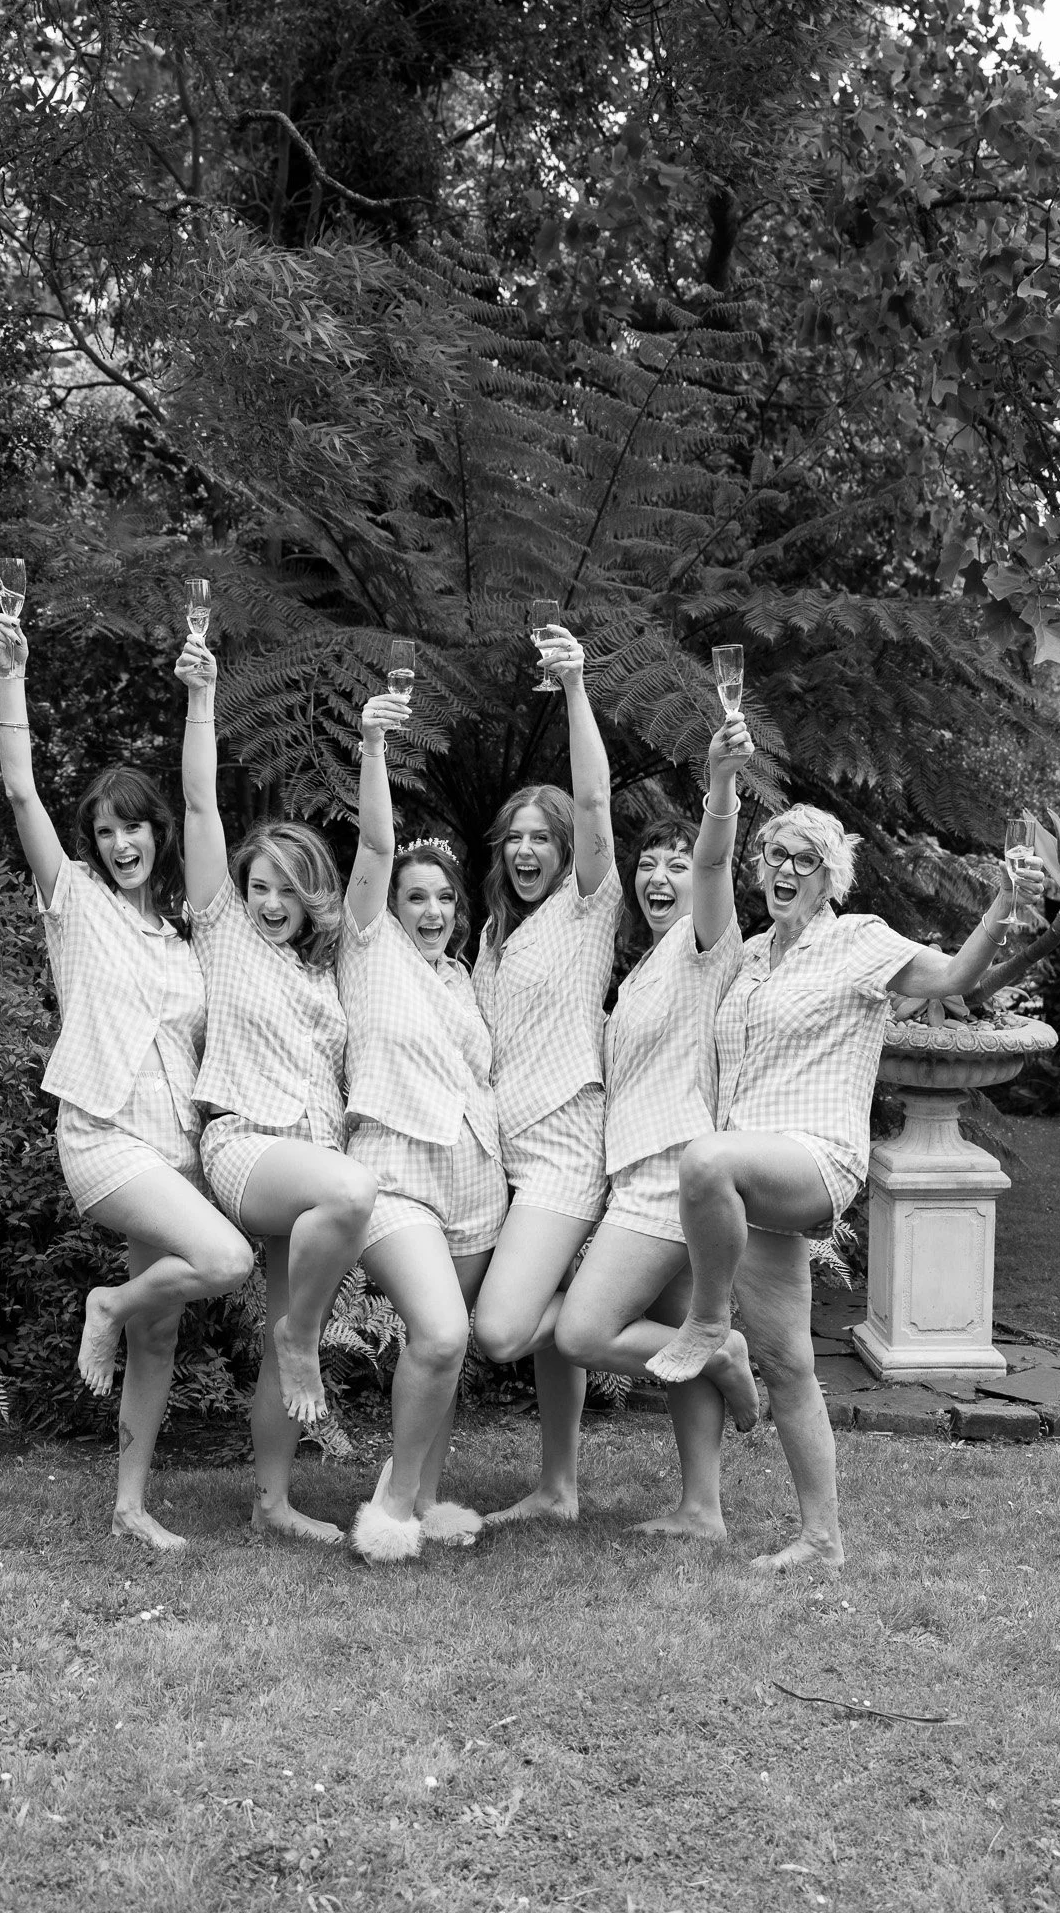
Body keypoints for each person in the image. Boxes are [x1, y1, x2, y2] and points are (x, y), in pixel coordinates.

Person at [646, 803, 1047, 1573]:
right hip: (749, 1175)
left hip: (813, 1157)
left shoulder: (859, 941)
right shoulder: (753, 955)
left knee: (700, 1162)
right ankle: (822, 1539)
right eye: (774, 856)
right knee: (789, 1362)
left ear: (831, 875)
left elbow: (955, 976)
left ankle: (704, 1322)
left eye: (805, 860)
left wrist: (1003, 902)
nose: (785, 871)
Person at [0, 608, 253, 1552]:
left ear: (153, 834)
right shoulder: (76, 908)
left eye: (132, 826)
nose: (119, 841)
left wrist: (201, 694)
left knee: (162, 1334)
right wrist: (15, 675)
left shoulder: (184, 941)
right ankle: (105, 1304)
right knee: (224, 1262)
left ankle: (129, 1506)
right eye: (104, 829)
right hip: (102, 1135)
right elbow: (21, 795)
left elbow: (201, 802)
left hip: (173, 1145)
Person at [175, 635, 375, 1544]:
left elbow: (373, 863)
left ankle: (273, 1503)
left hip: (310, 1157)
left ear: (309, 896)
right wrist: (203, 697)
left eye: (283, 889)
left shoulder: (324, 970)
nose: (265, 900)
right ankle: (302, 1339)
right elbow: (198, 805)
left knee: (281, 1338)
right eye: (256, 885)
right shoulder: (221, 935)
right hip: (246, 1144)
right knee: (350, 1193)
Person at [554, 715, 754, 1537]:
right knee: (672, 1339)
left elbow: (715, 858)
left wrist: (720, 786)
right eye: (648, 863)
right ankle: (701, 1510)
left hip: (670, 1174)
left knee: (582, 1331)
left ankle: (725, 1351)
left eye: (675, 863)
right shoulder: (642, 963)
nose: (661, 875)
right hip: (645, 1172)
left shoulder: (708, 945)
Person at [337, 689, 509, 1560]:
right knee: (438, 1331)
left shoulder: (460, 979)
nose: (433, 910)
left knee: (444, 1348)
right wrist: (374, 745)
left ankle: (430, 1498)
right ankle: (392, 1506)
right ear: (389, 904)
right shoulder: (368, 955)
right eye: (416, 897)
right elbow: (373, 843)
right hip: (397, 1171)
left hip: (476, 1176)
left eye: (444, 897)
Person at [471, 622, 623, 1523]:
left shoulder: (587, 908)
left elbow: (597, 801)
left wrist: (573, 688)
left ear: (568, 850)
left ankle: (701, 1348)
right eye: (515, 838)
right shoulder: (495, 931)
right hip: (501, 1148)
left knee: (497, 1332)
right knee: (532, 1335)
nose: (527, 849)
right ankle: (558, 1488)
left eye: (543, 837)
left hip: (564, 1147)